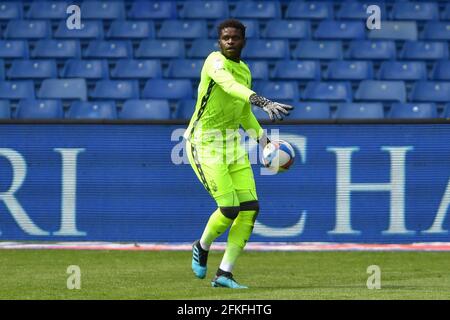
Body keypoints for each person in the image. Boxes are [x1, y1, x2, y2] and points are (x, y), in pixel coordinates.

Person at [184, 19, 293, 289]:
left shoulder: (244, 70)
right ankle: (202, 245)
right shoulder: (214, 62)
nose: (229, 41)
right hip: (204, 143)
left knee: (250, 209)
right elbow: (230, 87)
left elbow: (243, 111)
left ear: (243, 40)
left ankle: (224, 273)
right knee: (229, 208)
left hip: (232, 145)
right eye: (225, 38)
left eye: (235, 37)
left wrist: (265, 141)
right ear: (219, 41)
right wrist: (263, 101)